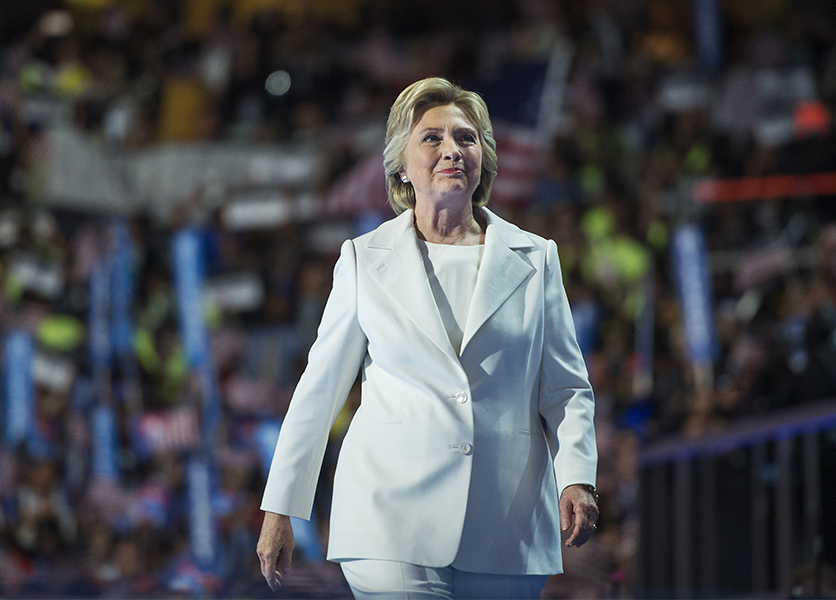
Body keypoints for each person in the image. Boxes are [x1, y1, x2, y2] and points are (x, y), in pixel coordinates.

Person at [256, 77, 598, 599]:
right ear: (400, 163)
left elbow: (567, 389)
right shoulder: (362, 258)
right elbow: (318, 391)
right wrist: (280, 507)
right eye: (432, 138)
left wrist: (576, 475)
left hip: (507, 524)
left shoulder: (536, 257)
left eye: (466, 138)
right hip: (386, 520)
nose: (452, 150)